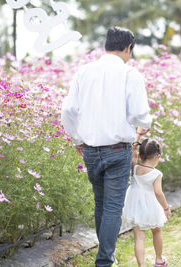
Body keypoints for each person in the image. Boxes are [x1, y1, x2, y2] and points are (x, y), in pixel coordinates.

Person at [61, 26, 152, 267]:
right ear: (128, 48)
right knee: (112, 207)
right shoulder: (129, 74)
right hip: (117, 150)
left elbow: (68, 110)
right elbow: (141, 114)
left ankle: (105, 257)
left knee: (101, 203)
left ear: (106, 45)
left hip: (90, 150)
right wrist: (142, 127)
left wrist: (77, 139)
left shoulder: (84, 71)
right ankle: (104, 261)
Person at [122, 138, 172, 267]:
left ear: (140, 155)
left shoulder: (135, 167)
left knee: (139, 237)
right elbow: (158, 193)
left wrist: (133, 150)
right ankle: (159, 260)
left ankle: (141, 265)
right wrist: (166, 208)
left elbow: (133, 159)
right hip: (151, 206)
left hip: (134, 206)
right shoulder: (156, 174)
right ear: (156, 156)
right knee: (157, 231)